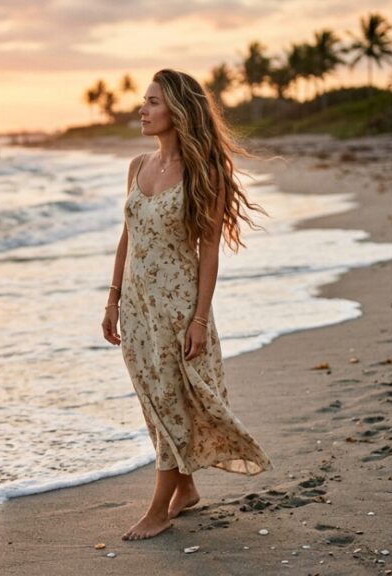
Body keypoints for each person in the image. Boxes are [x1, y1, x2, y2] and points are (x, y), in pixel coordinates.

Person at [100, 68, 274, 541]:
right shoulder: (137, 166)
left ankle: (159, 508)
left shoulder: (205, 172)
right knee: (154, 400)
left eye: (153, 102)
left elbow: (210, 250)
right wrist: (112, 301)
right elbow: (127, 237)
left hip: (179, 309)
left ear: (177, 110)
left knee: (174, 401)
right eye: (144, 101)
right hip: (138, 308)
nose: (143, 109)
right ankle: (187, 488)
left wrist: (199, 319)